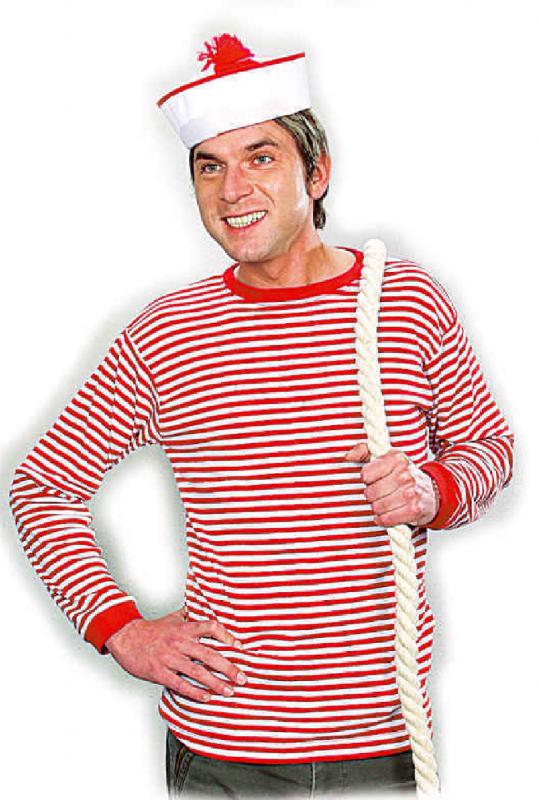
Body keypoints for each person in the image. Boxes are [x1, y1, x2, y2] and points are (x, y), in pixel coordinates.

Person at [9, 32, 514, 799]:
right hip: (220, 748)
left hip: (378, 743)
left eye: (260, 157)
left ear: (317, 172)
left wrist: (432, 490)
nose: (232, 189)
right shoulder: (165, 334)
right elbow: (43, 485)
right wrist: (118, 628)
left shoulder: (404, 301)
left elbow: (488, 447)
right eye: (209, 166)